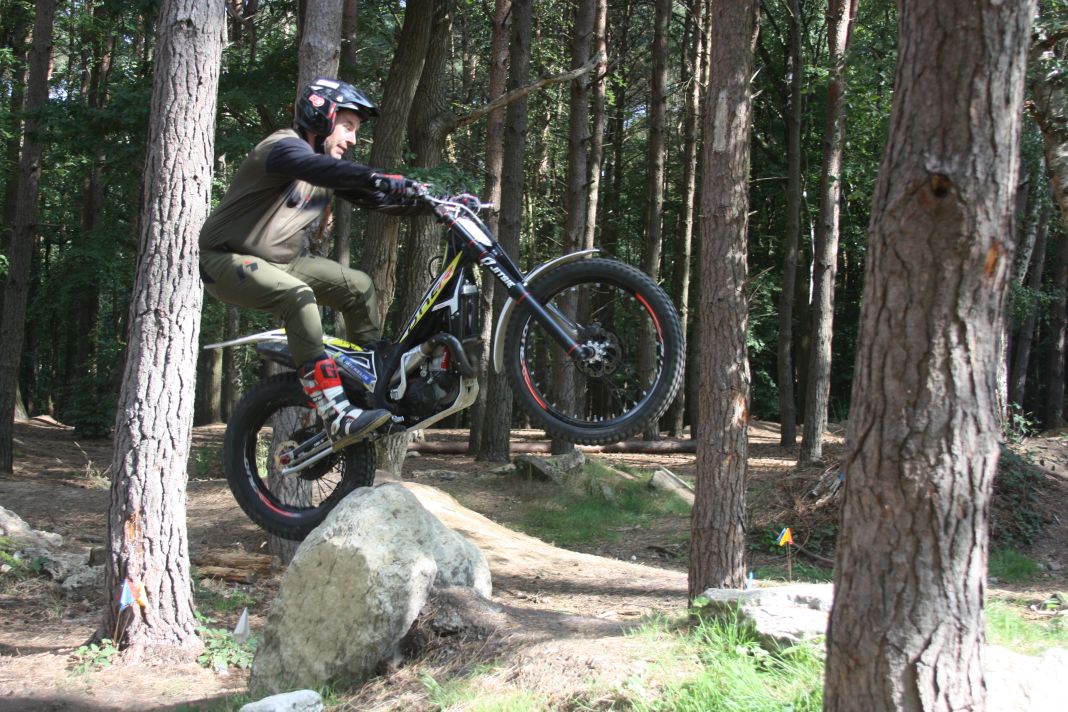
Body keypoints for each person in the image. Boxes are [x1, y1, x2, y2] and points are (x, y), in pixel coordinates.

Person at [199, 78, 426, 447]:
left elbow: (375, 197)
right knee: (299, 296)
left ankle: (371, 389)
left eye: (356, 130)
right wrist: (380, 177)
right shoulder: (281, 147)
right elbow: (318, 168)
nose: (353, 139)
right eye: (348, 126)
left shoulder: (325, 169)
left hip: (283, 261)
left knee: (359, 287)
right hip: (225, 259)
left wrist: (434, 202)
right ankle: (333, 409)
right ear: (322, 117)